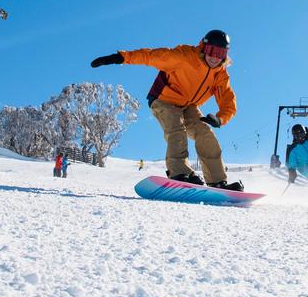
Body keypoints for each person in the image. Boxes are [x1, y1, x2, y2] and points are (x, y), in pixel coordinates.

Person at [91, 29, 242, 191]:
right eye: (212, 51)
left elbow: (228, 102)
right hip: (164, 99)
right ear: (204, 47)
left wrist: (220, 119)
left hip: (188, 105)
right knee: (176, 129)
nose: (215, 57)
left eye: (221, 53)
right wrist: (122, 57)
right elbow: (151, 56)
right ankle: (179, 173)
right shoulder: (184, 57)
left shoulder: (220, 75)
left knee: (205, 133)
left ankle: (217, 181)